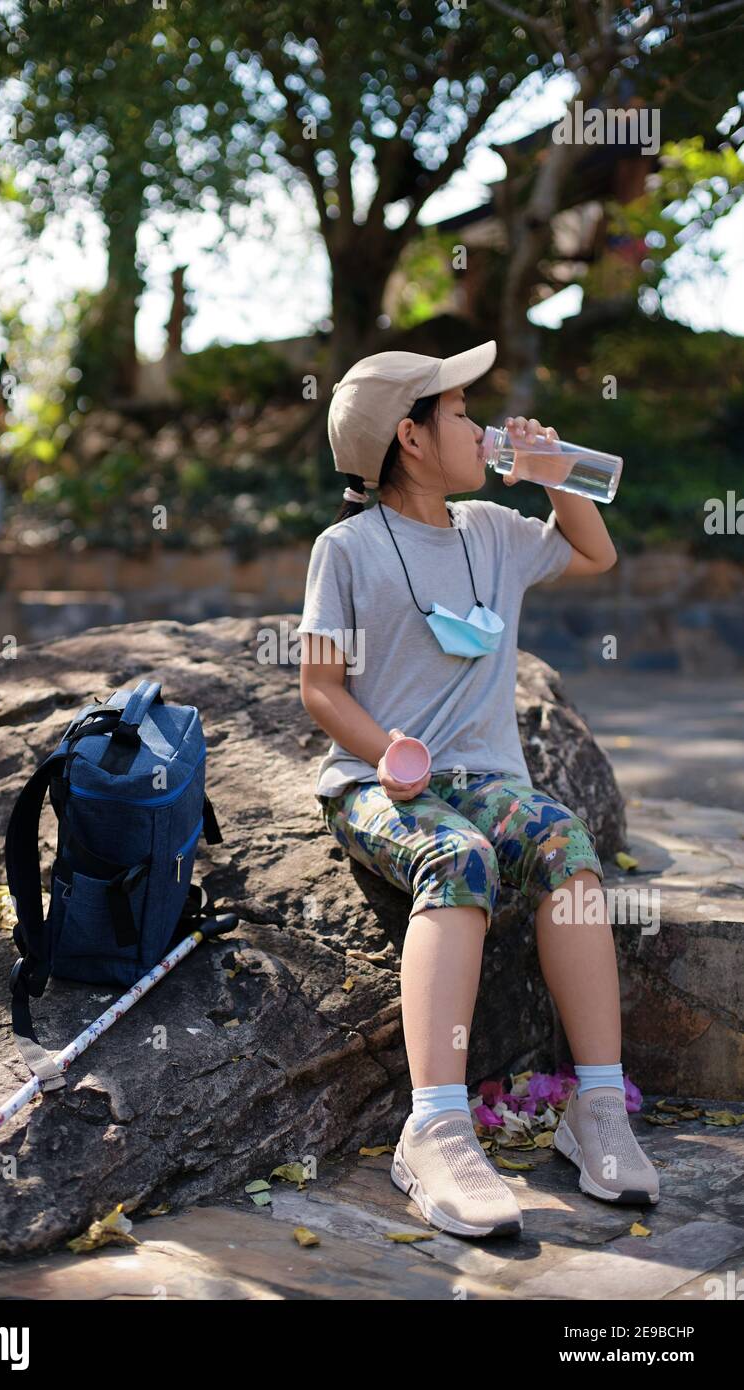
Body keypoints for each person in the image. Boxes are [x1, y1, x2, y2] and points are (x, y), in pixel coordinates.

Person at [297, 342, 659, 1239]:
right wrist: (389, 753)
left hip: (488, 777)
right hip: (383, 780)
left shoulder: (494, 531)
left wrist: (551, 473)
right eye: (460, 412)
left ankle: (599, 1110)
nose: (479, 426)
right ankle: (438, 1127)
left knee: (567, 847)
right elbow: (319, 685)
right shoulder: (345, 548)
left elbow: (595, 552)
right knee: (454, 858)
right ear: (411, 438)